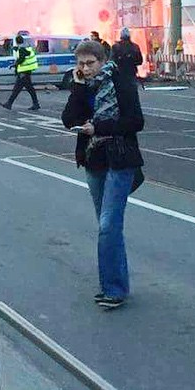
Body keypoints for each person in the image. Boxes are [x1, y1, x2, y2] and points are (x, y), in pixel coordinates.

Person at [61, 40, 144, 310]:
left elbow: (135, 121)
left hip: (120, 158)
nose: (85, 69)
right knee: (107, 225)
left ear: (102, 60)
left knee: (109, 225)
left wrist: (98, 127)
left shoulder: (120, 81)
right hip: (93, 160)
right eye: (80, 64)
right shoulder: (84, 87)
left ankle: (113, 289)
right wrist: (78, 88)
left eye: (90, 63)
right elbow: (68, 119)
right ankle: (115, 283)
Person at [0, 34, 40, 111]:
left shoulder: (21, 50)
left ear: (16, 41)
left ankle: (9, 104)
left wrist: (14, 65)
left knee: (17, 89)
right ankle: (36, 104)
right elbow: (21, 52)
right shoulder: (26, 48)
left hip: (23, 73)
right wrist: (14, 48)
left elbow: (21, 59)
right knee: (29, 89)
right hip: (26, 72)